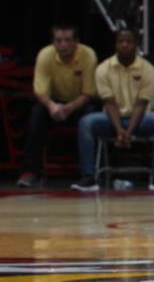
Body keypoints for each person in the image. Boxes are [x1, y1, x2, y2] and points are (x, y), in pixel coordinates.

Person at [74, 27, 154, 193]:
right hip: (112, 120)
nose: (125, 45)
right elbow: (108, 103)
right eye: (121, 41)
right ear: (115, 45)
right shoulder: (103, 69)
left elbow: (141, 104)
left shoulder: (148, 69)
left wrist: (128, 133)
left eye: (129, 41)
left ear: (136, 44)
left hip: (140, 120)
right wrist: (120, 130)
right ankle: (89, 177)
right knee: (86, 122)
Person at [18, 23, 97, 188]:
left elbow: (89, 93)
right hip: (53, 102)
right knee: (36, 114)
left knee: (90, 117)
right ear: (53, 42)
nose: (63, 45)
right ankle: (33, 171)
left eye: (68, 40)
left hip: (79, 103)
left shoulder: (88, 55)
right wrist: (52, 106)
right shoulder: (45, 55)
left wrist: (68, 108)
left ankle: (88, 174)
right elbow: (40, 91)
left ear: (77, 42)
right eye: (59, 40)